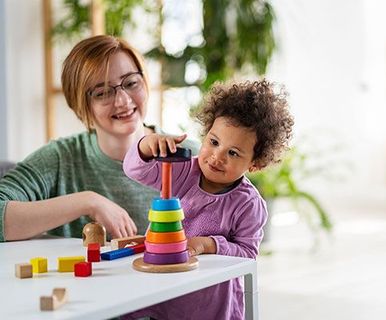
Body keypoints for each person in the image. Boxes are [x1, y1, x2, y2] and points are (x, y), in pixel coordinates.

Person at [123, 80, 294, 320]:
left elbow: (247, 255)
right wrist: (145, 147)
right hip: (163, 288)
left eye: (233, 153)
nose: (217, 157)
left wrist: (209, 245)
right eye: (214, 142)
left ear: (255, 164)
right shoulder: (184, 172)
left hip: (210, 303)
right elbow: (135, 170)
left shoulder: (248, 204)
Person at [0, 35, 197, 242]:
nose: (123, 101)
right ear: (80, 105)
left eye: (131, 83)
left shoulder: (192, 156)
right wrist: (87, 201)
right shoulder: (60, 159)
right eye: (102, 93)